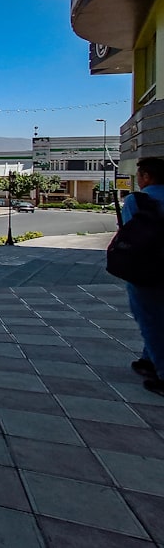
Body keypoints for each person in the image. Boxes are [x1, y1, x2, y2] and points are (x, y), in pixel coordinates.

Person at [122, 158, 164, 395]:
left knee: (150, 318)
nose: (138, 180)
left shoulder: (138, 200)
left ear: (146, 176)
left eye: (139, 175)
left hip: (147, 268)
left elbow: (130, 234)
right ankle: (148, 359)